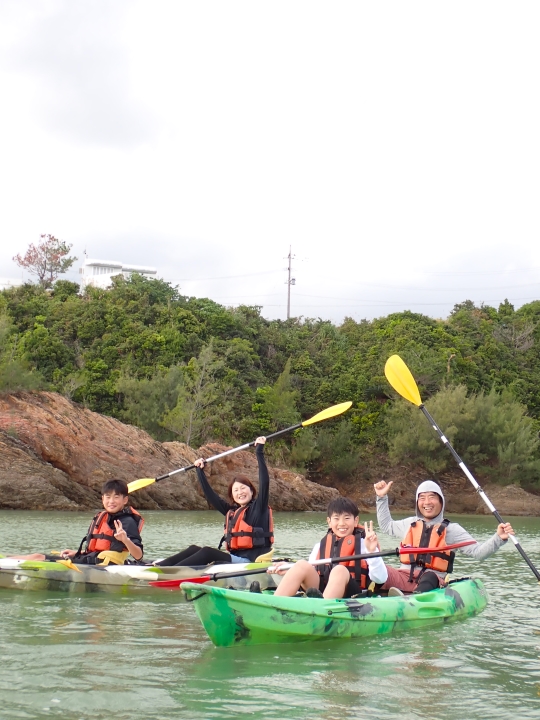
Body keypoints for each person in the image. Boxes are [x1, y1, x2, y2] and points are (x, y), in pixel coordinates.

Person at [374, 479, 515, 594]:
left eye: (432, 497)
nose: (427, 502)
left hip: (432, 582)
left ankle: (414, 599)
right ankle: (378, 595)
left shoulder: (452, 530)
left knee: (429, 577)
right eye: (422, 498)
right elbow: (386, 525)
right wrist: (381, 498)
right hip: (404, 577)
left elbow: (478, 553)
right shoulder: (409, 524)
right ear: (417, 503)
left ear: (441, 501)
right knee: (381, 570)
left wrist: (498, 538)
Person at [155, 437, 273, 567]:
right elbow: (211, 496)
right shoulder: (232, 512)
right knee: (193, 549)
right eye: (236, 490)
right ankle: (161, 566)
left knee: (207, 552)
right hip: (235, 558)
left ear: (251, 491)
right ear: (232, 496)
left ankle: (173, 571)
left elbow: (265, 482)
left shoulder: (259, 507)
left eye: (243, 488)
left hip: (251, 561)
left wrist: (259, 451)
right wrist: (199, 471)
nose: (240, 492)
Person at [271, 497, 387, 599]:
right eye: (336, 518)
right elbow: (310, 569)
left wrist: (372, 552)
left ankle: (321, 609)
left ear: (355, 521)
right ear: (329, 522)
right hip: (322, 590)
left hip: (352, 593)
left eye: (347, 518)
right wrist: (290, 568)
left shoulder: (365, 544)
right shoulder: (319, 546)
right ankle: (275, 603)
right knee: (301, 564)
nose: (341, 523)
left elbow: (380, 579)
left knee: (339, 570)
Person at [10, 479, 144, 566]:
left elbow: (138, 556)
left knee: (38, 557)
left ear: (125, 500)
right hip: (94, 560)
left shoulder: (126, 521)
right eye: (108, 497)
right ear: (102, 499)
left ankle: (5, 564)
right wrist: (77, 553)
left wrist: (125, 540)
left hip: (105, 565)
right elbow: (99, 549)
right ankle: (7, 559)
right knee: (37, 556)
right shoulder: (103, 516)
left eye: (116, 497)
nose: (111, 501)